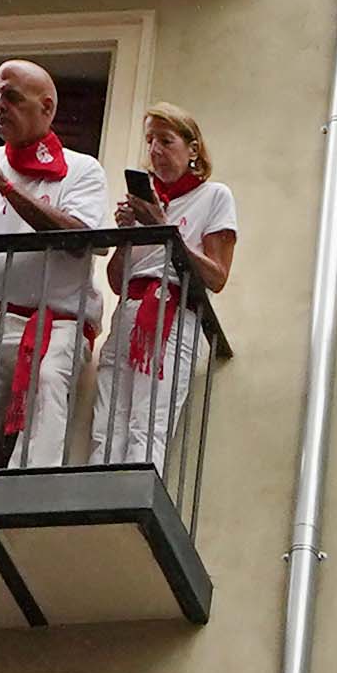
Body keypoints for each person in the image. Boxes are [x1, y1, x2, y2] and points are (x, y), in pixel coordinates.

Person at [0, 60, 111, 472]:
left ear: (46, 108)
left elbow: (76, 238)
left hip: (56, 319)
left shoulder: (83, 168)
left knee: (49, 387)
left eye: (12, 97)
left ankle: (34, 485)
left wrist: (2, 184)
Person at [96, 103, 230, 471]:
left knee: (148, 418)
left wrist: (162, 226)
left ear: (193, 150)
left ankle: (133, 488)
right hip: (131, 311)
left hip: (173, 313)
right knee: (108, 418)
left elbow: (217, 276)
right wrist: (127, 235)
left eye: (166, 141)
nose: (156, 151)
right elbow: (116, 282)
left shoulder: (214, 197)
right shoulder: (148, 204)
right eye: (150, 141)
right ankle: (100, 487)